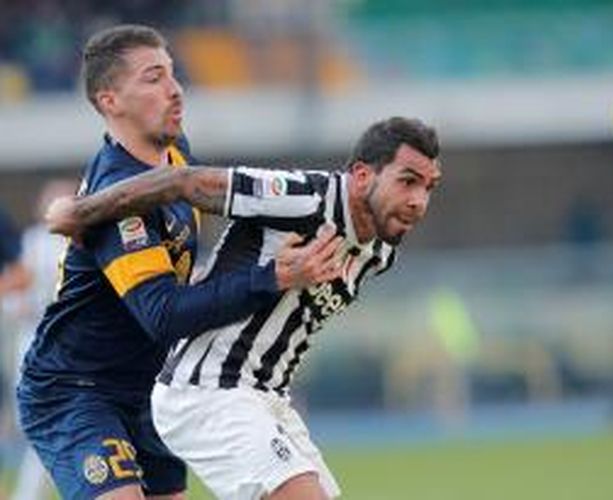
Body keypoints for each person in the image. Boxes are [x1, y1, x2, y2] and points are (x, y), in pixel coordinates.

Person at [16, 24, 343, 500]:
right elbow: (163, 315)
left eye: (172, 73)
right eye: (153, 78)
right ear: (110, 101)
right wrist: (271, 277)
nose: (174, 89)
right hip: (77, 388)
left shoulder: (173, 157)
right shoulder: (120, 204)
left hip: (148, 388)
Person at [46, 116, 442, 499]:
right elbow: (182, 182)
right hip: (208, 391)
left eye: (428, 188)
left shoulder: (380, 252)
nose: (419, 202)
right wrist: (82, 212)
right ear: (361, 176)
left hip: (269, 399)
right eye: (407, 182)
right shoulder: (302, 197)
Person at [2, 180, 77, 500]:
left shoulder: (83, 242)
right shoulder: (32, 242)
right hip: (36, 345)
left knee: (50, 429)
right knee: (45, 429)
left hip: (67, 348)